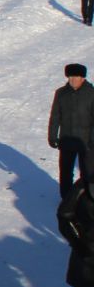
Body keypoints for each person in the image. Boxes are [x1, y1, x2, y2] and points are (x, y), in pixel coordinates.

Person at [50, 64, 94, 199]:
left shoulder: (91, 94)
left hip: (86, 142)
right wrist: (52, 136)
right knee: (65, 172)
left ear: (82, 78)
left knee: (87, 173)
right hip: (67, 139)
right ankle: (66, 200)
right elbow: (55, 116)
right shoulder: (61, 93)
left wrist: (92, 140)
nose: (73, 79)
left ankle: (87, 201)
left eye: (76, 77)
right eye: (70, 77)